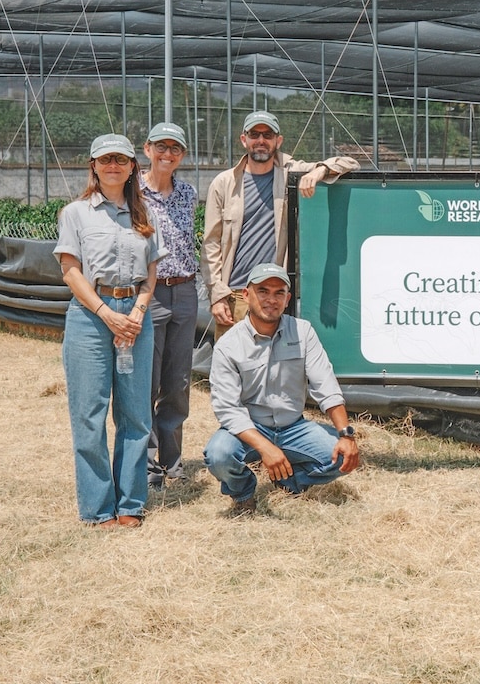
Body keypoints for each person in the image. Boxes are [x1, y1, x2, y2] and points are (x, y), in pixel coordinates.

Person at [54, 134, 166, 528]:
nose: (113, 165)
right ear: (94, 166)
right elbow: (71, 271)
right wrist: (106, 313)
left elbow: (151, 272)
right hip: (90, 316)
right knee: (89, 414)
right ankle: (98, 507)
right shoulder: (76, 213)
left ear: (133, 166)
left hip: (135, 317)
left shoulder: (145, 215)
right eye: (105, 160)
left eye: (121, 159)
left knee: (135, 414)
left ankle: (131, 503)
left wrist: (135, 312)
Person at [204, 263, 360, 515]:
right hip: (249, 429)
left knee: (344, 458)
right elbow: (228, 410)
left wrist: (346, 434)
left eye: (279, 293)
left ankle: (288, 480)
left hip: (294, 427)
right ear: (246, 295)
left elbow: (326, 385)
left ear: (287, 299)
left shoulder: (303, 332)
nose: (271, 300)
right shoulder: (228, 345)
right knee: (219, 454)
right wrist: (266, 448)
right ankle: (243, 492)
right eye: (263, 291)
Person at [201, 110, 359, 338]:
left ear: (278, 140)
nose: (261, 141)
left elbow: (349, 163)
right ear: (244, 139)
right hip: (235, 297)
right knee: (232, 370)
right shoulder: (224, 183)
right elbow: (211, 245)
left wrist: (319, 171)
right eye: (255, 134)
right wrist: (217, 296)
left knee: (276, 369)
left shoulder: (290, 175)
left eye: (268, 135)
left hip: (275, 297)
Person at [139, 122, 198, 488]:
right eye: (161, 147)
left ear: (182, 155)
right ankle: (146, 464)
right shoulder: (133, 193)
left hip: (186, 292)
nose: (167, 154)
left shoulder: (189, 193)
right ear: (147, 150)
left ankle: (172, 462)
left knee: (177, 382)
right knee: (147, 379)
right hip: (151, 292)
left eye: (174, 148)